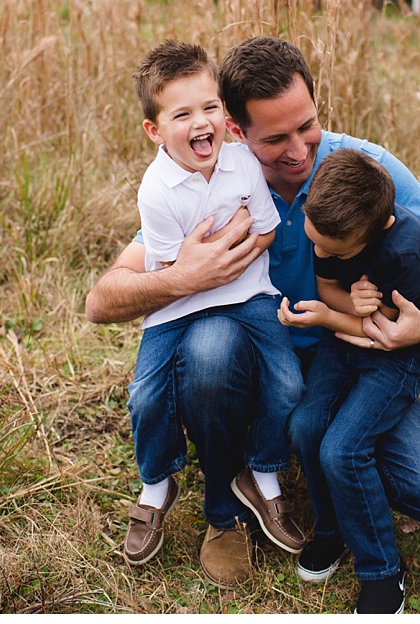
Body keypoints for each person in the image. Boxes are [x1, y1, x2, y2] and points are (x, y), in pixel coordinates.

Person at [86, 36, 420, 592]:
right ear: (236, 129)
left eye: (308, 126)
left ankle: (304, 461)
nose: (299, 151)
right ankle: (226, 494)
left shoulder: (360, 172)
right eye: (275, 138)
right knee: (208, 347)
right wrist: (186, 276)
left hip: (346, 365)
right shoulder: (218, 180)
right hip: (256, 365)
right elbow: (101, 298)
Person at [118, 41, 306, 574]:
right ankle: (157, 482)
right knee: (145, 395)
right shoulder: (156, 192)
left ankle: (261, 474)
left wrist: (236, 250)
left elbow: (267, 229)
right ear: (155, 130)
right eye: (182, 115)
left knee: (289, 383)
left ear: (226, 113)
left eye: (209, 108)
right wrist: (203, 266)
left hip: (251, 295)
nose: (201, 123)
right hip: (179, 304)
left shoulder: (243, 163)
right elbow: (171, 274)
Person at [277, 147, 420, 614]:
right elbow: (330, 286)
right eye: (316, 240)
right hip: (345, 336)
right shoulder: (330, 222)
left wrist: (332, 316)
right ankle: (332, 529)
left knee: (343, 449)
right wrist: (343, 302)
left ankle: (382, 572)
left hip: (397, 354)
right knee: (306, 426)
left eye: (333, 251)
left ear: (376, 232)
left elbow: (386, 333)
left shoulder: (407, 249)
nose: (319, 251)